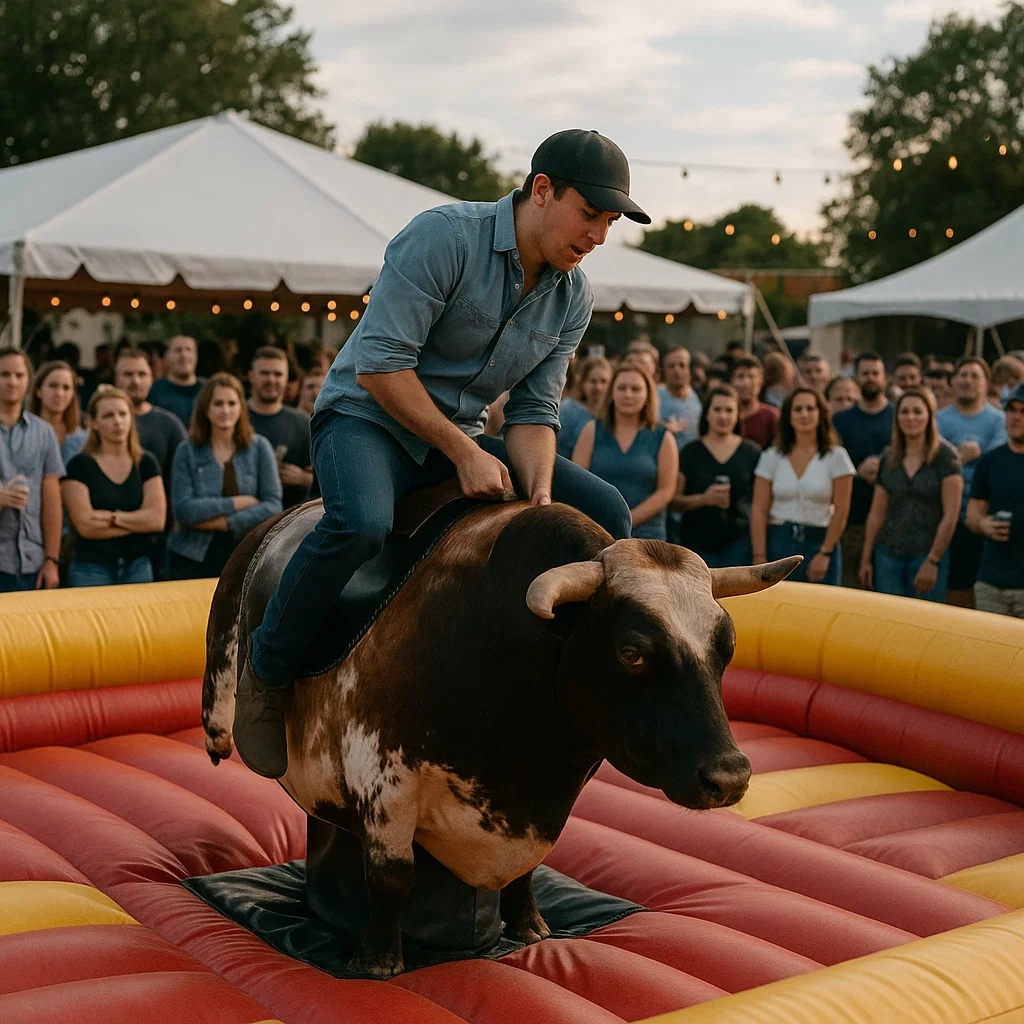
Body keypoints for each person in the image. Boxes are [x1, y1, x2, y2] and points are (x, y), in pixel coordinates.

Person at [239, 129, 647, 778]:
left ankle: (555, 690)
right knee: (361, 524)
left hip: (455, 436)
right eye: (590, 214)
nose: (599, 235)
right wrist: (463, 451)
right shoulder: (442, 237)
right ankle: (265, 672)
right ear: (542, 191)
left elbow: (534, 415)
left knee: (605, 516)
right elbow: (379, 368)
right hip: (364, 419)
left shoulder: (575, 295)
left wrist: (538, 492)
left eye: (611, 222)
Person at [168, 373, 283, 581]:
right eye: (218, 404)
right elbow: (184, 509)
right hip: (192, 557)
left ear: (241, 407)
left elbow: (273, 506)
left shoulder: (259, 447)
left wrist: (225, 523)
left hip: (247, 554)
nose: (226, 410)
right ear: (206, 408)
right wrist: (237, 502)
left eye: (232, 403)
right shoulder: (187, 450)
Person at [859, 389, 962, 603]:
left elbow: (951, 515)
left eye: (917, 411)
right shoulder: (889, 457)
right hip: (888, 555)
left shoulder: (945, 456)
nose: (911, 417)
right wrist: (866, 558)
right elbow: (877, 513)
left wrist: (933, 560)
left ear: (929, 416)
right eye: (904, 412)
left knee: (927, 626)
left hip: (927, 555)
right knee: (889, 625)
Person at [60, 388, 166, 586]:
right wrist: (136, 522)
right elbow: (86, 526)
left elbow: (156, 520)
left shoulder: (146, 462)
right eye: (108, 415)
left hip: (138, 566)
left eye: (123, 414)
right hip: (90, 569)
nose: (117, 421)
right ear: (93, 423)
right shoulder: (78, 465)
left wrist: (110, 517)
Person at [751, 387, 854, 585]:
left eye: (810, 408)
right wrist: (759, 556)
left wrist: (825, 553)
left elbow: (842, 509)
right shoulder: (772, 456)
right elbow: (758, 509)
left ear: (820, 414)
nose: (804, 414)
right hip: (779, 541)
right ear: (788, 415)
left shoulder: (836, 457)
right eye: (798, 409)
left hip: (820, 541)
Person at [572, 360, 677, 539]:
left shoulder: (663, 437)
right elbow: (577, 481)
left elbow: (665, 492)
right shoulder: (592, 430)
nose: (628, 395)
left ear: (647, 395)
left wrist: (626, 520)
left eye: (635, 389)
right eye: (621, 388)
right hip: (598, 532)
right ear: (612, 393)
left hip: (647, 536)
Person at [936, 357, 1007, 606]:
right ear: (953, 382)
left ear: (987, 383)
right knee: (952, 591)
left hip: (988, 519)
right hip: (946, 517)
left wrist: (953, 456)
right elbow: (932, 462)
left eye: (974, 375)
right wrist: (960, 454)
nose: (967, 380)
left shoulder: (1000, 420)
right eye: (962, 375)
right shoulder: (939, 420)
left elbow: (997, 462)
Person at [113, 347, 188, 578]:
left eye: (142, 374)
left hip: (157, 541)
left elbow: (183, 482)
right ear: (115, 378)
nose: (135, 381)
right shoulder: (99, 422)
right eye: (127, 374)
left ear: (152, 378)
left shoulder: (169, 424)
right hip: (103, 541)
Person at [673, 384, 760, 567]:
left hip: (739, 546)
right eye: (717, 409)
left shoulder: (752, 453)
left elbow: (761, 503)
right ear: (707, 413)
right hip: (696, 546)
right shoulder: (690, 452)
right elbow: (673, 502)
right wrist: (703, 499)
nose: (723, 416)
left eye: (729, 410)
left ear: (737, 415)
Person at [0, 348, 64, 592]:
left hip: (33, 563)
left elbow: (52, 502)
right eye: (4, 374)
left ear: (29, 380)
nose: (12, 381)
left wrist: (51, 560)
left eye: (19, 374)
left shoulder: (44, 432)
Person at [831, 352, 896, 587]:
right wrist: (857, 471)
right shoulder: (840, 420)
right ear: (857, 378)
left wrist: (884, 468)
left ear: (884, 378)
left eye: (875, 373)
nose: (870, 378)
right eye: (865, 373)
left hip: (891, 522)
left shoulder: (900, 416)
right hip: (852, 521)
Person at [967, 382, 1024, 617]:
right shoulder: (990, 461)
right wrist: (983, 524)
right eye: (1011, 410)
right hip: (991, 583)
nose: (1016, 417)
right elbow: (972, 513)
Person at [246, 346, 313, 509]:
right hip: (240, 518)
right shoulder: (231, 418)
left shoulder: (303, 424)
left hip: (290, 522)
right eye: (264, 373)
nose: (271, 379)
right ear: (251, 376)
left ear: (286, 379)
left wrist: (303, 479)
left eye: (278, 374)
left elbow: (330, 479)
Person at [29, 360, 87, 464]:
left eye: (66, 388)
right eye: (53, 386)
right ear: (38, 391)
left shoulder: (83, 439)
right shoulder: (23, 434)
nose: (59, 393)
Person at [556, 354, 610, 459]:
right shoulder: (568, 411)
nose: (598, 387)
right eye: (593, 381)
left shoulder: (614, 413)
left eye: (603, 381)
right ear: (583, 383)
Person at [149, 335, 205, 427]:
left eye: (189, 350)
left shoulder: (209, 389)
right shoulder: (154, 390)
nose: (183, 355)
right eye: (178, 350)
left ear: (196, 356)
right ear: (166, 356)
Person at [658, 346, 703, 449]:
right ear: (664, 370)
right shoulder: (654, 398)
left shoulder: (700, 398)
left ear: (689, 369)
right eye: (671, 366)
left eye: (682, 365)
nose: (677, 370)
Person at [730, 355, 779, 449]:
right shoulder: (722, 416)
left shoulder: (772, 416)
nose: (746, 383)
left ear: (761, 380)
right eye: (740, 376)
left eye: (751, 376)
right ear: (732, 380)